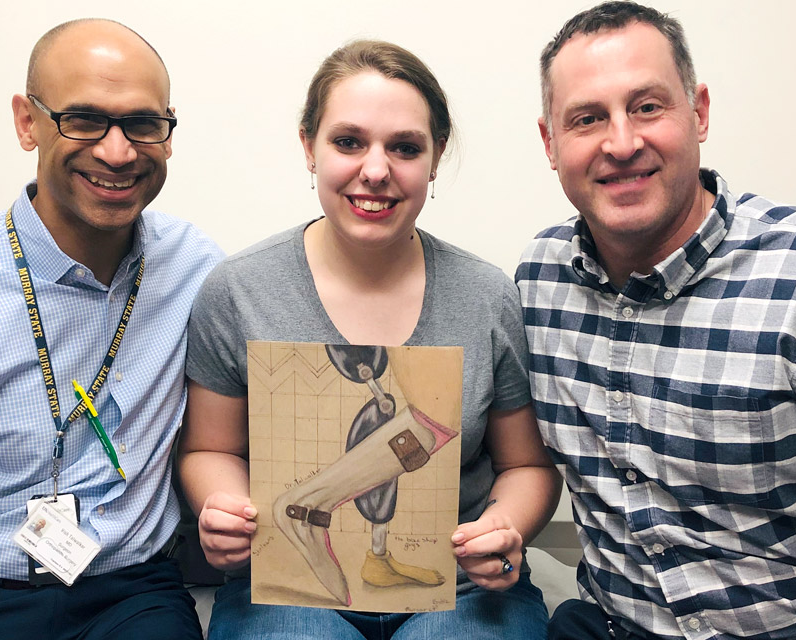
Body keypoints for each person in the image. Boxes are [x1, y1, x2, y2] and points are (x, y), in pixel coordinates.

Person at [179, 39, 562, 640]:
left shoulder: (487, 295)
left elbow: (526, 465)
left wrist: (506, 527)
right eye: (349, 141)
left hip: (458, 584)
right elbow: (209, 450)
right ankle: (309, 512)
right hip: (284, 585)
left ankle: (318, 507)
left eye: (405, 147)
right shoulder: (239, 290)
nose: (376, 169)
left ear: (435, 160)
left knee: (420, 415)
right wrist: (221, 507)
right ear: (308, 146)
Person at [0, 19, 223, 640]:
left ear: (169, 133)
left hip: (131, 596)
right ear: (27, 122)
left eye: (143, 124)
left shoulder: (197, 270)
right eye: (84, 119)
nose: (118, 152)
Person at [515, 2, 796, 639]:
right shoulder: (539, 280)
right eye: (587, 118)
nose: (622, 142)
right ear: (551, 145)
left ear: (700, 112)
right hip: (605, 624)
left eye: (647, 106)